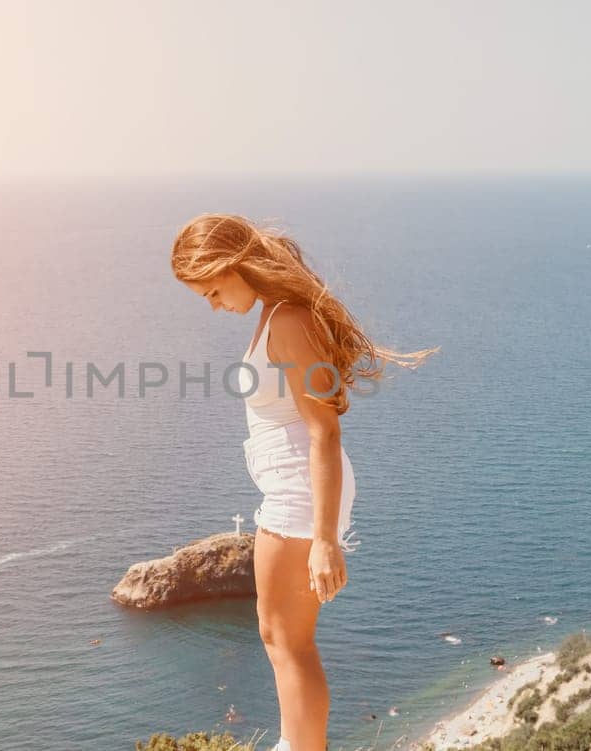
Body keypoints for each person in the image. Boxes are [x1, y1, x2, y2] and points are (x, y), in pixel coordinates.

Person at [171, 214, 436, 751]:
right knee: (277, 636)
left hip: (300, 493)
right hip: (291, 489)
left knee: (289, 642)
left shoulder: (288, 320)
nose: (214, 305)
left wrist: (324, 540)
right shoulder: (273, 313)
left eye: (213, 291)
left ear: (234, 266)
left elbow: (325, 432)